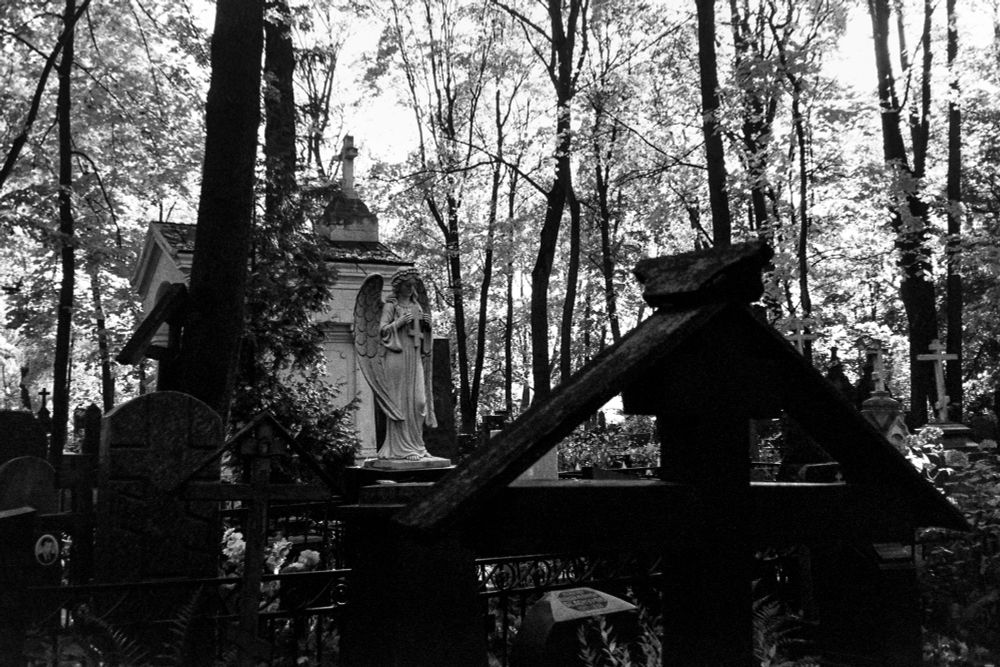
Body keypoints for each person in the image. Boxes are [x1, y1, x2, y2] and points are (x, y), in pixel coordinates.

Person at [377, 268, 436, 460]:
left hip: (415, 355)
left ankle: (418, 446)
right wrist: (399, 322)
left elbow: (425, 339)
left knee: (419, 402)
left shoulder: (417, 306)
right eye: (407, 285)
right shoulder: (391, 306)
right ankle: (401, 449)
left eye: (413, 285)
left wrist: (428, 327)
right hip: (397, 356)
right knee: (399, 403)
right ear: (399, 286)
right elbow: (382, 331)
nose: (411, 288)